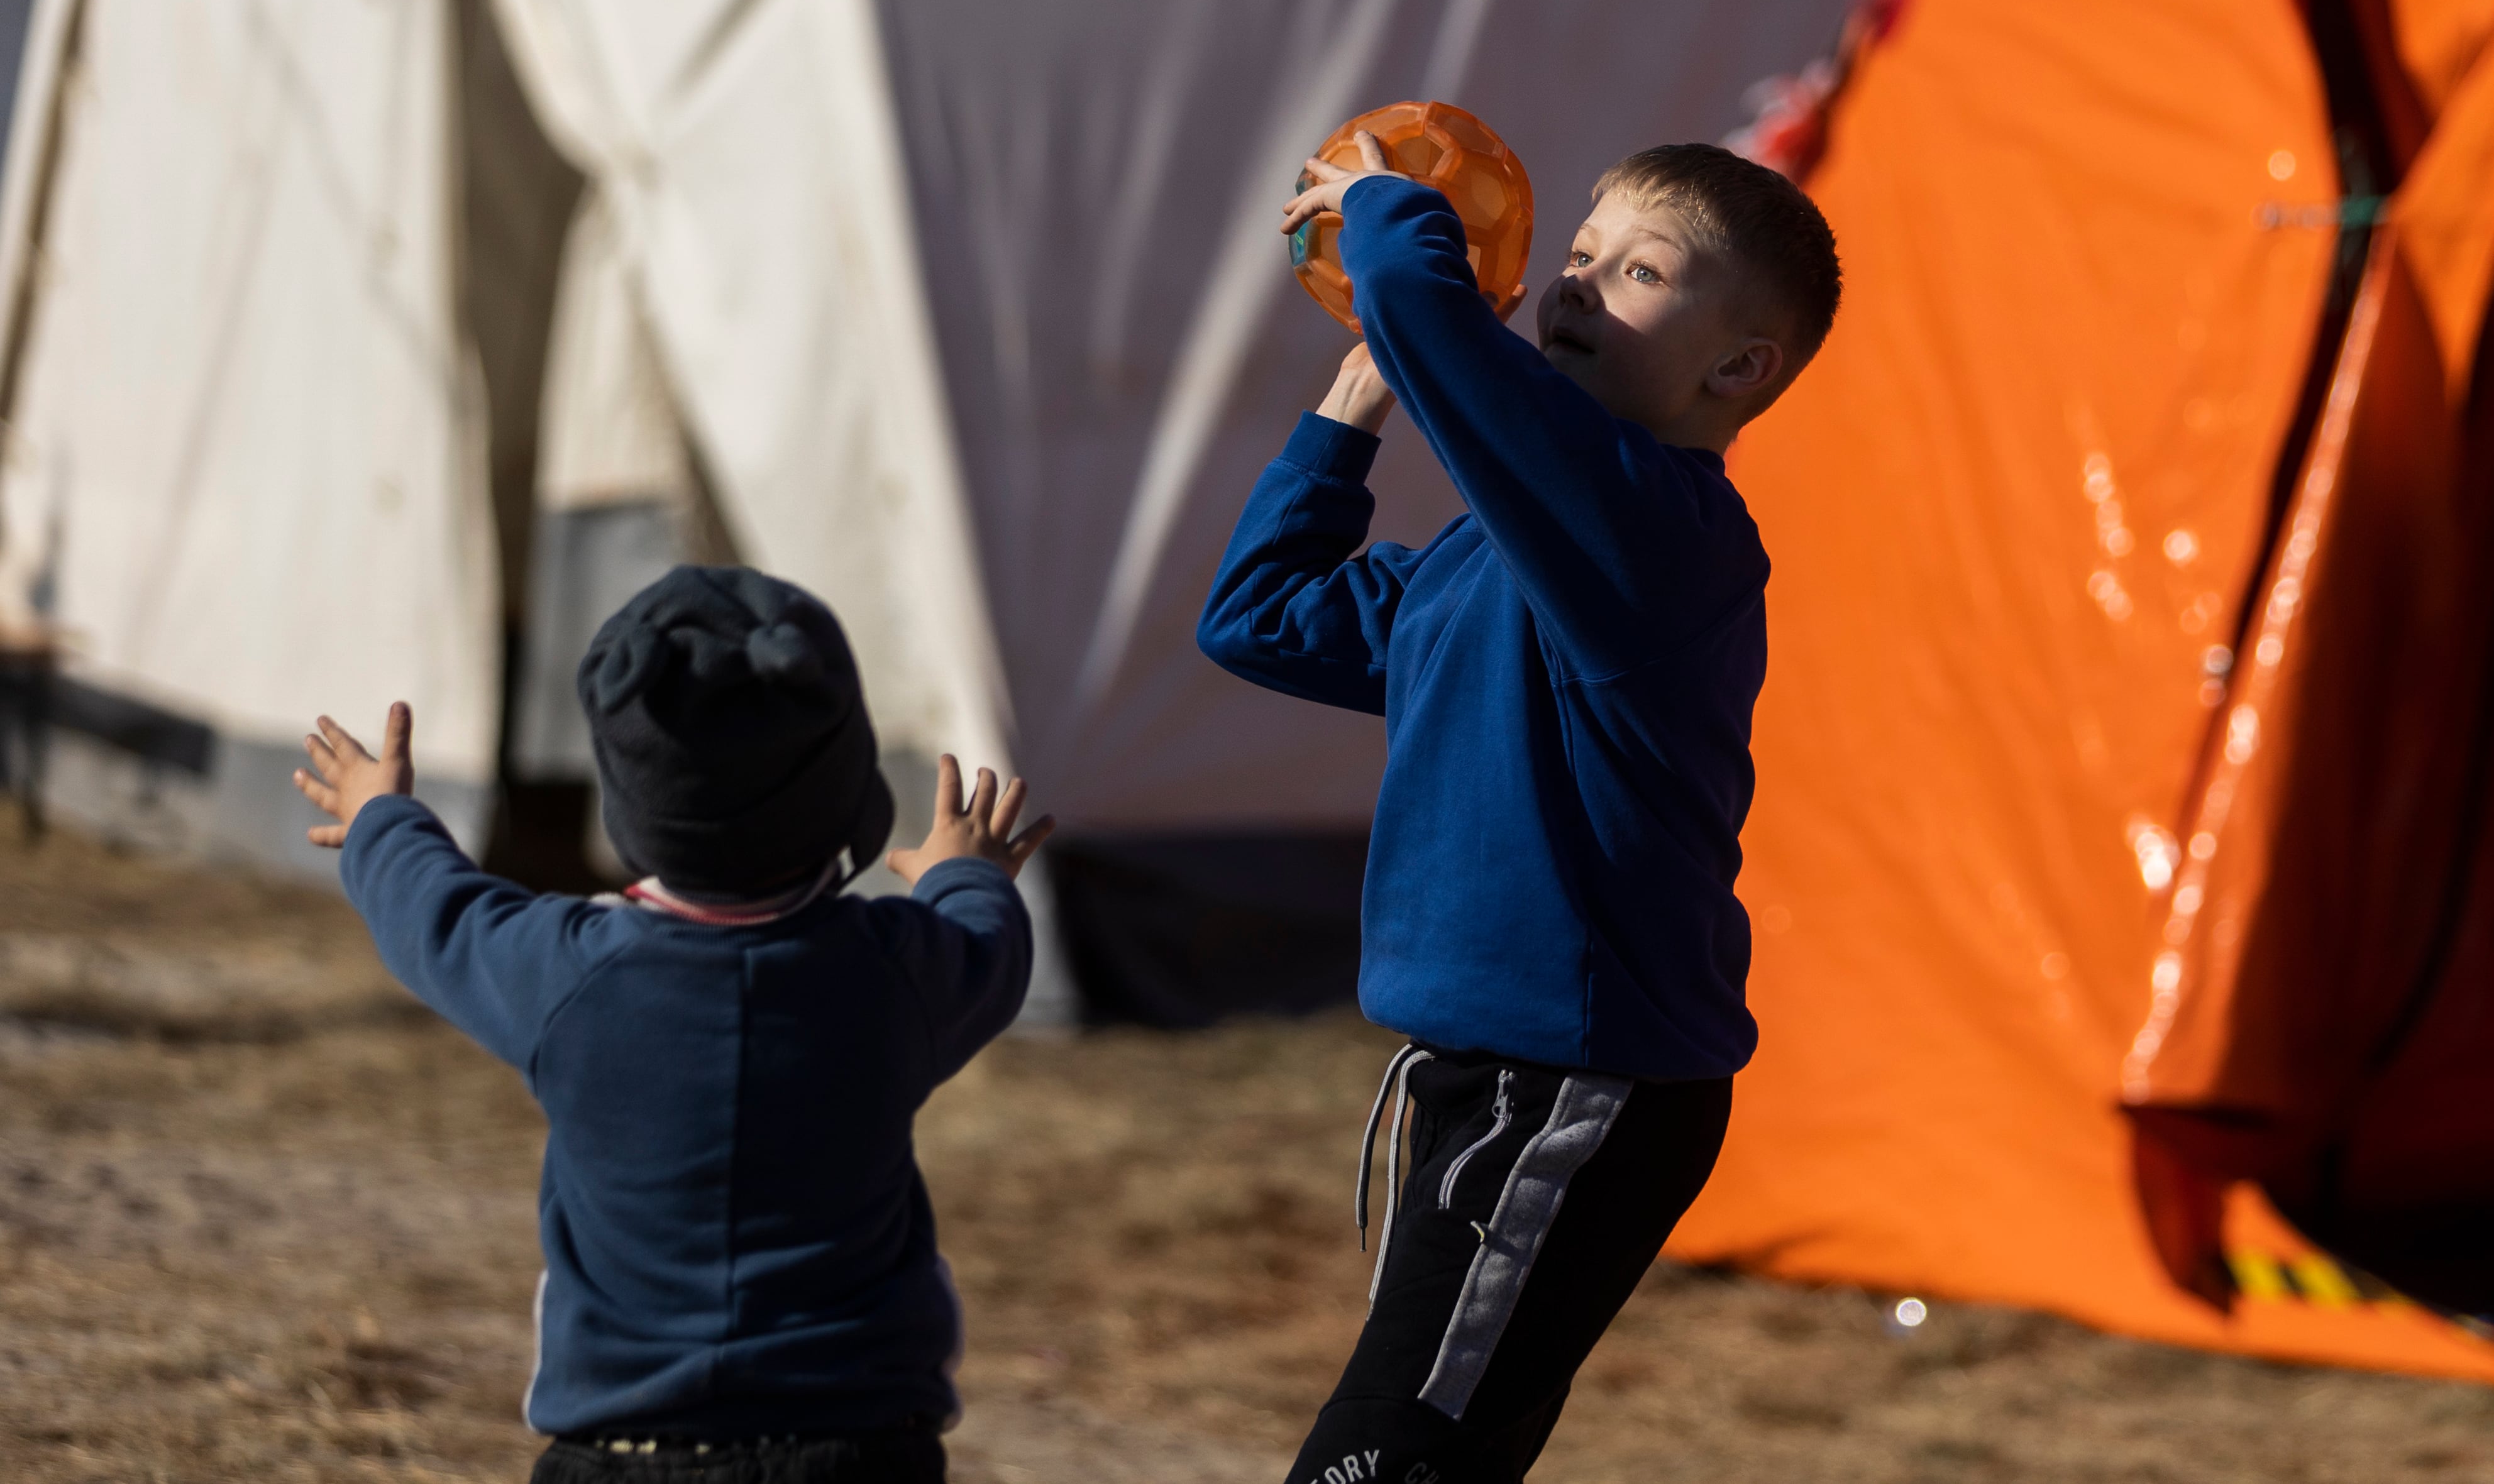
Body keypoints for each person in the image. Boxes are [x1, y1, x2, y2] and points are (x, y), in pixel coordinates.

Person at [1199, 136, 1841, 1483]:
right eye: (1579, 258)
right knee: (1430, 1451)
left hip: (1578, 1089)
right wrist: (1351, 406)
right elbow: (1255, 620)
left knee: (1385, 1457)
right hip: (1495, 1085)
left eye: (1641, 273)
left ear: (1739, 369)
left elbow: (1432, 312)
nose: (1577, 288)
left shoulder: (1658, 537)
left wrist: (1388, 210)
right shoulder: (1494, 554)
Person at [291, 565, 1052, 1484]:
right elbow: (990, 944)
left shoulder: (566, 975)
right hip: (858, 1449)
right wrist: (961, 870)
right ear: (842, 793)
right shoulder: (894, 974)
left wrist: (381, 819)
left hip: (623, 1454)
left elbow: (433, 911)